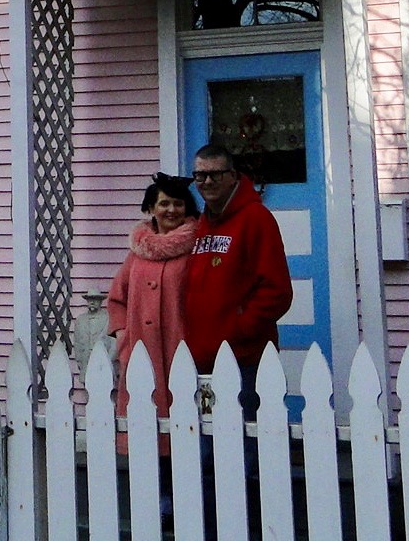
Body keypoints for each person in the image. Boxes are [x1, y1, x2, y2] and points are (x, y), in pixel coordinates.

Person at [183, 142, 293, 387]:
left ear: (232, 176)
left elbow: (277, 292)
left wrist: (237, 329)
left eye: (216, 174)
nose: (208, 182)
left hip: (246, 361)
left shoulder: (256, 219)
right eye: (200, 175)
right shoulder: (200, 225)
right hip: (200, 361)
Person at [105, 173, 199, 453]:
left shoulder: (194, 249)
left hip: (180, 349)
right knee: (144, 427)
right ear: (151, 209)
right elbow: (116, 299)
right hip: (141, 352)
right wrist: (124, 336)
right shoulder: (137, 253)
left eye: (179, 204)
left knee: (185, 429)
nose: (171, 210)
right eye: (164, 204)